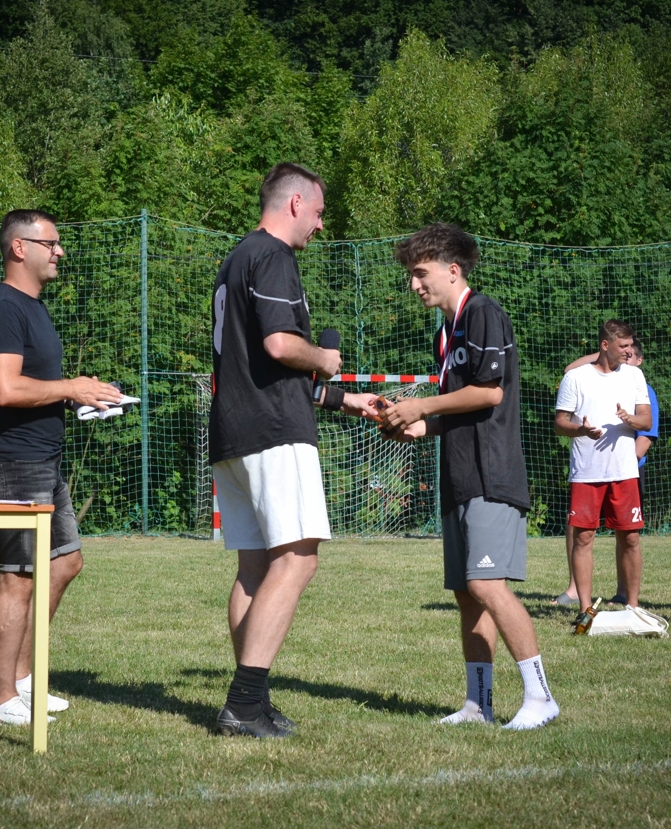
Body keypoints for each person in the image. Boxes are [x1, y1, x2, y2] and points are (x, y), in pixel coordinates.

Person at [209, 163, 378, 738]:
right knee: (299, 559)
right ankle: (244, 703)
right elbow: (281, 346)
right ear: (296, 203)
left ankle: (252, 701)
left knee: (254, 569)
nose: (321, 225)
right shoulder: (275, 255)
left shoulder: (235, 258)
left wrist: (343, 399)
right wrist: (324, 358)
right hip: (273, 432)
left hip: (232, 432)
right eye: (321, 212)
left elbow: (257, 365)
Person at [380, 222, 558, 730]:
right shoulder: (445, 332)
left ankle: (541, 697)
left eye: (421, 273)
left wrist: (421, 405)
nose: (414, 284)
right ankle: (479, 705)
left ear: (452, 270)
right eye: (411, 275)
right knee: (467, 593)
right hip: (458, 477)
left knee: (486, 584)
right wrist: (418, 426)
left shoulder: (482, 313)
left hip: (490, 474)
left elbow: (490, 392)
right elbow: (459, 409)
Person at [0, 209, 124, 726]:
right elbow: (6, 389)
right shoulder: (1, 308)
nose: (60, 251)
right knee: (19, 576)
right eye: (51, 243)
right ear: (20, 248)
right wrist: (70, 387)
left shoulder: (33, 308)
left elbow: (35, 386)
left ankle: (23, 682)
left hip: (43, 458)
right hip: (14, 461)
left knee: (64, 563)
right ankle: (0, 701)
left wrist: (81, 395)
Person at [554, 321, 652, 614]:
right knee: (583, 537)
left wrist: (630, 419)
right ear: (605, 345)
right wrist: (581, 430)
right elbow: (560, 423)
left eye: (630, 345)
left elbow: (646, 421)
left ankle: (633, 607)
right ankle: (585, 610)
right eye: (623, 345)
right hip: (587, 472)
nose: (629, 350)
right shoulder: (576, 378)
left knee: (631, 538)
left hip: (625, 472)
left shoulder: (634, 375)